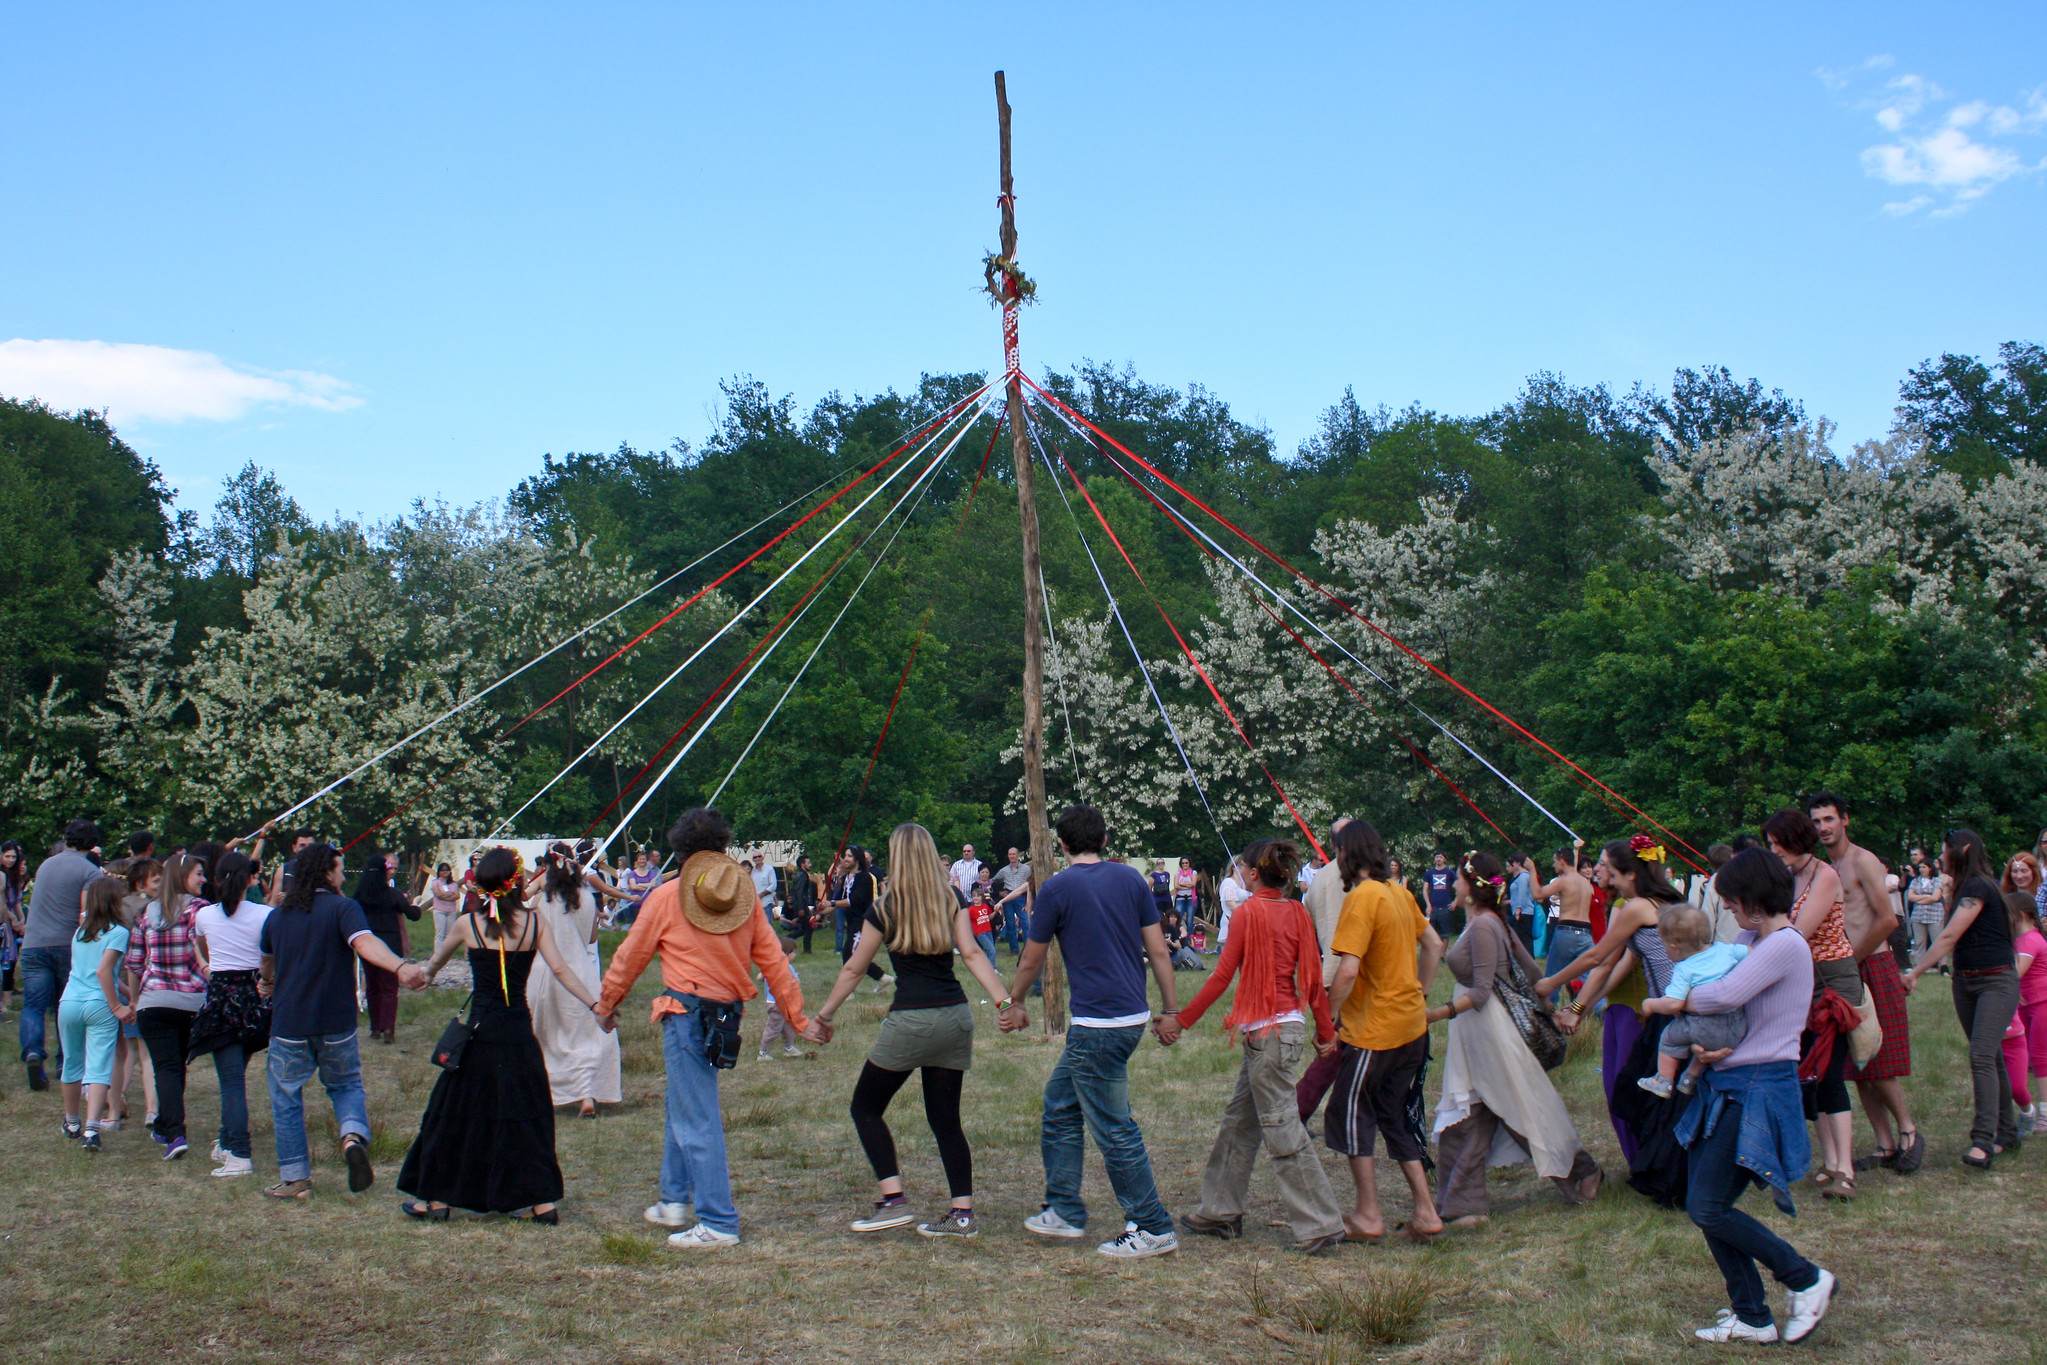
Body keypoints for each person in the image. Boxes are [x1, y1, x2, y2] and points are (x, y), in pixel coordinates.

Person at [595, 807, 812, 1249]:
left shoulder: (663, 898)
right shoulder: (746, 899)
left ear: (678, 851)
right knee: (684, 1103)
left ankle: (717, 1221)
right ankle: (674, 1199)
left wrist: (607, 1004)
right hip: (724, 1015)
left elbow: (630, 957)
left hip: (686, 1013)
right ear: (722, 848)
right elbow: (774, 962)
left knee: (697, 1116)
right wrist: (799, 1018)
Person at [804, 822, 1013, 1237]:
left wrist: (824, 1016)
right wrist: (1005, 1003)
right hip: (955, 1017)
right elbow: (970, 953)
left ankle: (893, 1199)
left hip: (910, 1021)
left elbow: (854, 967)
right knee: (945, 1119)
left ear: (896, 857)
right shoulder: (950, 897)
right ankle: (962, 1214)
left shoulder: (885, 908)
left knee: (865, 1107)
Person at [1673, 848, 1838, 1345]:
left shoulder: (1785, 943)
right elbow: (1718, 983)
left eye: (1729, 900)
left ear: (1751, 898)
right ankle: (1752, 1316)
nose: (1726, 910)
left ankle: (1806, 1279)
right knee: (1705, 1201)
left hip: (1759, 1086)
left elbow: (1723, 994)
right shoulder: (1751, 938)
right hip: (1728, 1082)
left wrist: (1671, 1001)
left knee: (1708, 1205)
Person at [1008, 803, 1183, 1259]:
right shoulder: (1130, 879)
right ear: (1104, 841)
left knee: (1114, 1128)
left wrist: (1016, 1001)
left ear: (1060, 845)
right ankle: (1064, 1208)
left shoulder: (1056, 888)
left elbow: (1032, 958)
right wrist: (1170, 1008)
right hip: (1129, 1018)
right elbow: (1159, 951)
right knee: (1060, 1104)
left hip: (1097, 1026)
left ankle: (1152, 1225)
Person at [402, 846, 604, 1221]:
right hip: (517, 1033)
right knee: (527, 1114)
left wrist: (419, 976)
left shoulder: (467, 924)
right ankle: (542, 1204)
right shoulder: (533, 923)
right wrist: (595, 1006)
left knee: (452, 1114)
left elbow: (432, 967)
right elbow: (560, 970)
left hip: (478, 1034)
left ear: (482, 884)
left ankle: (438, 1200)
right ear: (516, 881)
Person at [1166, 838, 1346, 1255]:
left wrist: (1182, 1019)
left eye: (1243, 867)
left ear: (1251, 872)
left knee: (1283, 1129)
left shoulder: (1247, 914)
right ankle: (1219, 1210)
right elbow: (1313, 978)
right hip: (1279, 1033)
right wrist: (1324, 1032)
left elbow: (1220, 977)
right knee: (1239, 1122)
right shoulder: (1298, 912)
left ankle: (1321, 1224)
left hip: (1270, 1036)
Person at [1427, 850, 1603, 1226]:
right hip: (1477, 1031)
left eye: (1459, 878)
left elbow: (1480, 991)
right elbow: (1531, 969)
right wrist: (1547, 1004)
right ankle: (1463, 1205)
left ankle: (1581, 1171)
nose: (1454, 884)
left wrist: (1431, 1015)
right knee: (1470, 1112)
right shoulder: (1489, 922)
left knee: (1523, 1107)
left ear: (1472, 888)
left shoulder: (1486, 926)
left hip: (1490, 1028)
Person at [259, 842, 426, 1200]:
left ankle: (295, 1179)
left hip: (289, 1022)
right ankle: (352, 1137)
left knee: (286, 1097)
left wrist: (265, 982)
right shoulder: (343, 909)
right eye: (339, 868)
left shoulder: (277, 916)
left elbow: (266, 963)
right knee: (346, 1085)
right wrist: (400, 966)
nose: (341, 875)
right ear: (326, 873)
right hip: (336, 1020)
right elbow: (365, 944)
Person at [1322, 819, 1446, 1243]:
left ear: (1346, 853)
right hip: (1411, 1026)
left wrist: (1327, 1022)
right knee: (1393, 1114)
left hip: (1373, 1032)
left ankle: (1368, 1214)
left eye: (1337, 850)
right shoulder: (1399, 891)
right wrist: (1420, 993)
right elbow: (1434, 945)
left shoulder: (1362, 897)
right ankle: (1426, 1213)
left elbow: (1348, 971)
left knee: (1349, 1114)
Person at [1536, 835, 1688, 1165]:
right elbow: (1619, 964)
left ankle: (1653, 1166)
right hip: (1673, 1012)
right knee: (1656, 1097)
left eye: (1609, 867)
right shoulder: (1661, 902)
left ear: (1631, 873)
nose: (1604, 872)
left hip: (1667, 1015)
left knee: (1635, 1095)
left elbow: (1597, 957)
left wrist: (1550, 982)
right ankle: (1654, 1165)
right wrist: (1580, 1007)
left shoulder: (1636, 907)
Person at [1808, 793, 1921, 1176]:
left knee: (1879, 1058)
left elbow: (1888, 920)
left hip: (1872, 962)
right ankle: (1884, 1144)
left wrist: (1850, 961)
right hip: (1844, 970)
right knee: (1855, 1062)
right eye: (1817, 821)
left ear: (1845, 820)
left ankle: (1909, 1132)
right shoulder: (1827, 867)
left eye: (1829, 819)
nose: (1823, 827)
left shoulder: (1862, 860)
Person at [1757, 807, 1864, 1197]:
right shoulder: (1788, 877)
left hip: (1832, 983)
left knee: (1830, 1071)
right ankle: (1830, 1161)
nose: (1774, 851)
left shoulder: (1825, 876)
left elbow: (1798, 933)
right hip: (1801, 981)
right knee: (1810, 1073)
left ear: (1793, 840)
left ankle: (1846, 1171)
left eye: (1776, 844)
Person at [1902, 828, 2021, 1168]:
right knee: (1991, 1056)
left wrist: (1914, 972)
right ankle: (2007, 1132)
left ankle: (1983, 1141)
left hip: (1995, 981)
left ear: (1963, 850)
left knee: (1981, 1055)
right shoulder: (1966, 888)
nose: (1940, 858)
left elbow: (1951, 934)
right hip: (1967, 982)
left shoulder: (1979, 886)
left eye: (1944, 852)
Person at [189, 852, 272, 1177]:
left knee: (231, 1082)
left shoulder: (205, 916)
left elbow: (204, 949)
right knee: (236, 1076)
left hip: (223, 998)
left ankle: (238, 1153)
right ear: (251, 879)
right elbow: (270, 955)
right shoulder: (266, 914)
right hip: (256, 1000)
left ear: (218, 878)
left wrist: (212, 966)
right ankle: (227, 1141)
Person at [124, 851, 211, 1160]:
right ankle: (172, 1130)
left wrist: (135, 1000)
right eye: (198, 873)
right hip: (191, 1001)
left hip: (154, 1001)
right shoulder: (201, 912)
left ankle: (169, 1128)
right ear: (182, 876)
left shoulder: (147, 914)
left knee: (168, 1066)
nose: (204, 879)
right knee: (174, 1065)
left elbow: (134, 964)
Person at [527, 843, 621, 1117]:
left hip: (545, 969)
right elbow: (591, 938)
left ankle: (545, 1093)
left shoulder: (543, 899)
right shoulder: (588, 898)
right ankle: (587, 1096)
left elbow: (531, 929)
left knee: (546, 1034)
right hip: (580, 970)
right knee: (587, 1035)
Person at [18, 819, 104, 1092]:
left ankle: (33, 1052)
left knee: (33, 1004)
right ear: (92, 844)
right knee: (65, 1006)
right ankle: (64, 1062)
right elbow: (89, 913)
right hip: (66, 946)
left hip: (33, 944)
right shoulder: (91, 873)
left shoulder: (45, 865)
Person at [1636, 905, 1748, 1098]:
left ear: (1674, 946)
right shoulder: (1726, 950)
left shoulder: (1684, 969)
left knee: (1670, 1038)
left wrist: (1650, 1005)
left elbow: (1674, 1004)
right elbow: (1755, 953)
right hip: (1737, 1026)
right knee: (1698, 1041)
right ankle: (1689, 1077)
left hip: (1704, 1027)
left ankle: (1663, 1081)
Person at [60, 877, 130, 1150]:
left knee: (72, 1063)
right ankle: (92, 1129)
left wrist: (128, 996)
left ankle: (72, 1121)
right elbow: (103, 973)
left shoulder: (81, 931)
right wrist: (117, 1006)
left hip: (70, 1002)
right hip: (99, 1005)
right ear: (114, 901)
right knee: (99, 1066)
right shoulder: (118, 932)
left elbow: (98, 972)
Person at [353, 854, 419, 1045]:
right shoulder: (393, 895)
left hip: (368, 945)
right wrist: (416, 905)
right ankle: (389, 1027)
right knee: (389, 988)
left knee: (372, 986)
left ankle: (375, 1027)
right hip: (391, 945)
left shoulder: (359, 896)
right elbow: (413, 915)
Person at [1998, 892, 2045, 1137]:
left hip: (2041, 1003)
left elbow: (2014, 973)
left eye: (2008, 912)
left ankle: (2044, 1116)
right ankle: (2027, 1111)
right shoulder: (2020, 940)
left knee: (2040, 1058)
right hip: (2026, 1005)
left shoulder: (2029, 940)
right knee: (2029, 1059)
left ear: (2022, 914)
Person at [1529, 843, 1591, 1004]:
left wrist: (1531, 869)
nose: (1553, 864)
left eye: (1554, 861)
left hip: (1566, 931)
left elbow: (1537, 894)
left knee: (1552, 979)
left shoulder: (1563, 881)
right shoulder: (1585, 882)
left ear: (1562, 861)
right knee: (1591, 979)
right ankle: (1601, 1008)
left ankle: (1548, 1013)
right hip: (1586, 933)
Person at [831, 847, 888, 987]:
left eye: (849, 856)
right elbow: (837, 901)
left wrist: (831, 903)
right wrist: (819, 912)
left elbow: (853, 901)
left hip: (864, 922)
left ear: (857, 859)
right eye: (845, 855)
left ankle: (846, 988)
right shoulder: (845, 878)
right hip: (851, 922)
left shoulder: (865, 878)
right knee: (855, 956)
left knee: (849, 953)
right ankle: (882, 977)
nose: (845, 859)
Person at [0, 839, 26, 1019]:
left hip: (11, 920)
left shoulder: (14, 876)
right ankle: (4, 1000)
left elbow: (16, 900)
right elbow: (2, 901)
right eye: (7, 856)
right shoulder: (1, 876)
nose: (10, 860)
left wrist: (21, 918)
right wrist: (13, 919)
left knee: (10, 959)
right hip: (5, 920)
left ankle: (7, 999)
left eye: (13, 857)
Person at [780, 853, 821, 953]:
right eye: (808, 863)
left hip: (801, 906)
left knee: (804, 929)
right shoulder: (802, 876)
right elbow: (800, 893)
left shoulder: (803, 875)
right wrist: (801, 908)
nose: (810, 864)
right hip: (800, 906)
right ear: (803, 865)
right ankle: (805, 949)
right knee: (808, 928)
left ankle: (785, 942)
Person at [1907, 861, 1944, 968]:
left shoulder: (1936, 881)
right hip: (1918, 915)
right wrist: (1927, 897)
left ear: (1930, 868)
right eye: (1920, 867)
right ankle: (1919, 965)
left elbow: (1936, 897)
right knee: (1919, 942)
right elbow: (1910, 897)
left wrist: (1919, 898)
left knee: (1937, 940)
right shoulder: (1915, 881)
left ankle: (1942, 964)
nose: (1921, 869)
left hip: (1934, 914)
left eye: (1924, 867)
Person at [428, 862, 462, 959]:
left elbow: (457, 895)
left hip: (451, 910)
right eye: (442, 870)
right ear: (439, 872)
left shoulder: (453, 884)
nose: (444, 872)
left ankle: (447, 954)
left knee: (449, 934)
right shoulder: (436, 882)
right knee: (440, 933)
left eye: (446, 870)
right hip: (439, 910)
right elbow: (437, 894)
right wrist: (450, 895)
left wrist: (445, 896)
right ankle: (438, 955)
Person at [1217, 854, 1251, 946]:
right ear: (1234, 867)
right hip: (1232, 921)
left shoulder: (1246, 883)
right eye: (1244, 866)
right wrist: (1246, 915)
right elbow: (1231, 904)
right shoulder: (1228, 882)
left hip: (1245, 921)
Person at [1505, 852, 1537, 951]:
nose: (1512, 864)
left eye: (1514, 862)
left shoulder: (1523, 877)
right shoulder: (1523, 876)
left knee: (1524, 940)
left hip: (1523, 912)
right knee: (1523, 939)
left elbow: (1521, 895)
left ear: (1518, 863)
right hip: (1523, 911)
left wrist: (1518, 910)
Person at [1423, 851, 1458, 940]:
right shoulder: (1429, 872)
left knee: (1445, 935)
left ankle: (1442, 954)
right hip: (1432, 908)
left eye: (1441, 857)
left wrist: (1455, 902)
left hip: (1446, 908)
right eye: (1437, 857)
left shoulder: (1449, 872)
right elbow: (1425, 890)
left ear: (1445, 860)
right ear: (1434, 859)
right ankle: (1433, 953)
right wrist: (1428, 905)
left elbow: (1458, 887)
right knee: (1430, 934)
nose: (1438, 859)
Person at [966, 884, 999, 964]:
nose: (976, 898)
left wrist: (996, 911)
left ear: (982, 897)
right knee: (991, 949)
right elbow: (966, 920)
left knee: (990, 950)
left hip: (988, 931)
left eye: (978, 896)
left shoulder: (985, 906)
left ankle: (988, 965)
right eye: (974, 896)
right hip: (980, 933)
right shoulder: (971, 909)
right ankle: (992, 968)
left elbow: (989, 917)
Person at [748, 851, 780, 917]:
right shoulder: (752, 871)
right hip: (755, 903)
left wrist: (762, 894)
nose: (757, 858)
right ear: (753, 860)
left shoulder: (769, 869)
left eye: (759, 856)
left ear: (762, 857)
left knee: (767, 925)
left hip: (766, 902)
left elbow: (773, 885)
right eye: (755, 857)